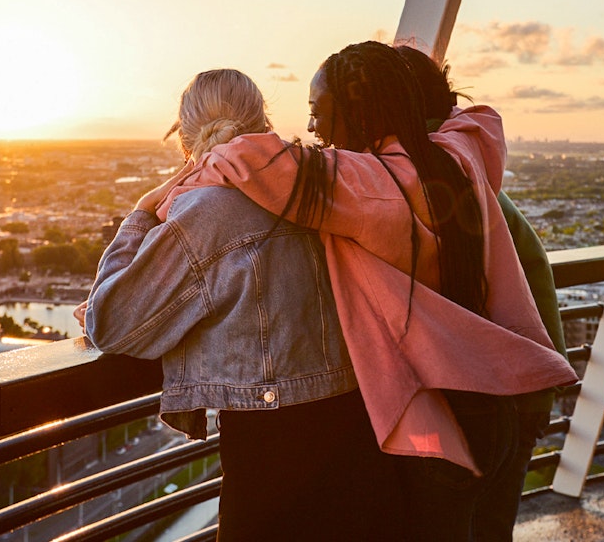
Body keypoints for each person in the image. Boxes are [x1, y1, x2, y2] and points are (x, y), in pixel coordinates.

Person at [156, 42, 578, 541]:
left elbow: (267, 163)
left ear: (362, 114)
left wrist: (165, 194)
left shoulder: (379, 188)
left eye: (318, 113)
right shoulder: (458, 161)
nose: (312, 131)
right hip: (506, 394)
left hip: (451, 406)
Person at [77, 69, 404, 541]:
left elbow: (110, 321)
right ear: (263, 121)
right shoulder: (317, 181)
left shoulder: (206, 211)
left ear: (185, 140)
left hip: (270, 452)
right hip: (358, 425)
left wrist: (142, 212)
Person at [397, 44, 568, 539]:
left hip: (480, 401)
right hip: (509, 397)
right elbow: (534, 275)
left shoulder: (435, 186)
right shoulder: (471, 180)